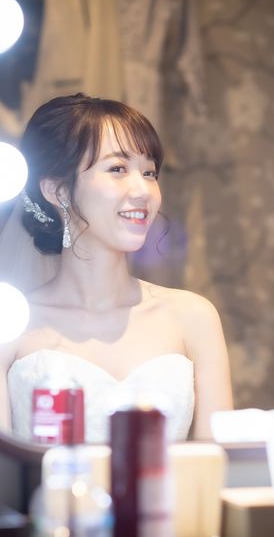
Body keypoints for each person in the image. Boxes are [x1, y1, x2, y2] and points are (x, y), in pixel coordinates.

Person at [0, 93, 233, 443]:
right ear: (58, 190)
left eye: (149, 172)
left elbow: (217, 462)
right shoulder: (11, 324)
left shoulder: (193, 317)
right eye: (118, 169)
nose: (143, 190)